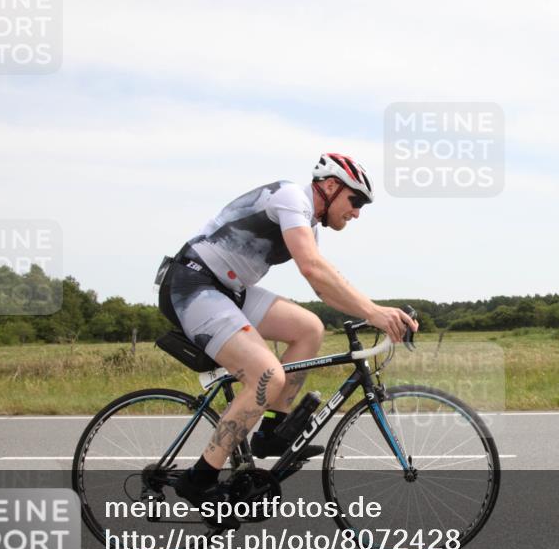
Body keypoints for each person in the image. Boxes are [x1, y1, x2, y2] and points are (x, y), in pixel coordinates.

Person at [156, 153, 417, 522]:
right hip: (193, 283)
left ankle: (271, 433)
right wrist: (374, 312)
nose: (356, 212)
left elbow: (327, 285)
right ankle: (199, 480)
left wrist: (374, 310)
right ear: (329, 186)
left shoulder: (307, 226)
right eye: (355, 200)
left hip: (229, 289)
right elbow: (313, 269)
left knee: (309, 329)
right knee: (266, 376)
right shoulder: (291, 198)